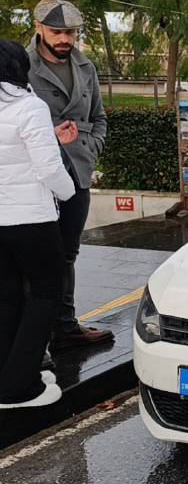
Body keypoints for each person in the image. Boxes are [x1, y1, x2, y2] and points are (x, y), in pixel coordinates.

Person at [26, 0, 113, 351]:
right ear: (38, 28)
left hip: (77, 172)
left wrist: (91, 149)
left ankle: (64, 327)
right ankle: (31, 336)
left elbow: (99, 117)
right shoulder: (19, 65)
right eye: (57, 31)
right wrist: (51, 136)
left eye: (71, 32)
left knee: (66, 253)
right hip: (34, 176)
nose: (64, 39)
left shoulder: (86, 66)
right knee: (34, 255)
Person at [0, 40, 76, 408]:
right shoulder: (29, 107)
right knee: (47, 292)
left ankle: (9, 374)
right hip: (31, 219)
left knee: (8, 295)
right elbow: (49, 168)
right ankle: (18, 387)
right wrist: (68, 193)